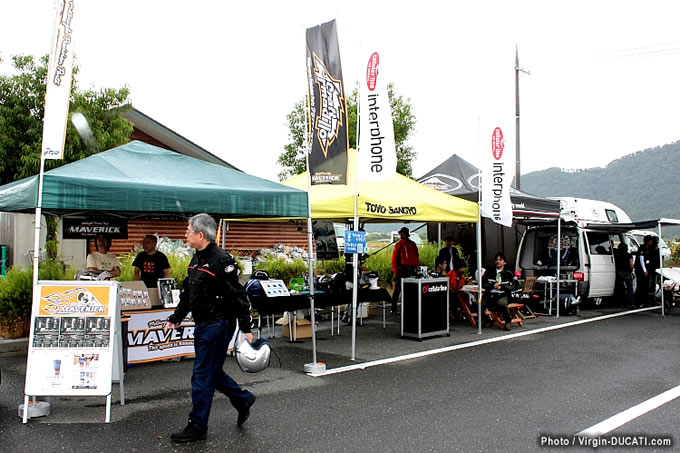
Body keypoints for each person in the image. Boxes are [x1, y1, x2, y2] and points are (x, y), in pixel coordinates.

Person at [165, 213, 256, 443]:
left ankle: (197, 426)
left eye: (188, 231)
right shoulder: (196, 259)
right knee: (211, 372)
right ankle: (243, 399)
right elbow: (189, 293)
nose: (185, 234)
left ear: (200, 234)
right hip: (204, 324)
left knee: (202, 375)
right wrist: (176, 317)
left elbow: (239, 295)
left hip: (218, 324)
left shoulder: (221, 260)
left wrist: (246, 327)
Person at [481, 252, 518, 331]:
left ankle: (508, 321)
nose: (498, 261)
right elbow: (483, 283)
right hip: (490, 295)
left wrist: (503, 287)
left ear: (504, 262)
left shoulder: (508, 273)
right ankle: (484, 319)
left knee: (501, 304)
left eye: (500, 260)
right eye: (496, 260)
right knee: (479, 303)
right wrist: (492, 285)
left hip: (503, 295)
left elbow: (514, 286)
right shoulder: (489, 272)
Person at [391, 227, 420, 314]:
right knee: (397, 290)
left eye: (403, 233)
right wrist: (395, 271)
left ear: (407, 234)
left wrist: (417, 268)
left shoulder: (412, 244)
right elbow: (394, 259)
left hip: (412, 270)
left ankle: (409, 307)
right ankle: (393, 308)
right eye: (400, 233)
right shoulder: (398, 245)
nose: (401, 235)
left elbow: (416, 256)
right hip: (401, 270)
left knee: (411, 289)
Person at [634, 235, 654, 306]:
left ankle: (644, 301)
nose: (651, 242)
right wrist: (644, 270)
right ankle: (638, 301)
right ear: (647, 241)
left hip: (645, 269)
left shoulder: (648, 248)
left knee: (645, 286)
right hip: (641, 270)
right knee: (641, 286)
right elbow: (641, 260)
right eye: (650, 241)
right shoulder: (642, 249)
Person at [614, 242, 634, 307]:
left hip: (618, 272)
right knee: (629, 288)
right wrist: (632, 270)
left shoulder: (616, 254)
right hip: (627, 272)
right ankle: (629, 302)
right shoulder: (628, 255)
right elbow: (631, 265)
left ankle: (619, 302)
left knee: (619, 288)